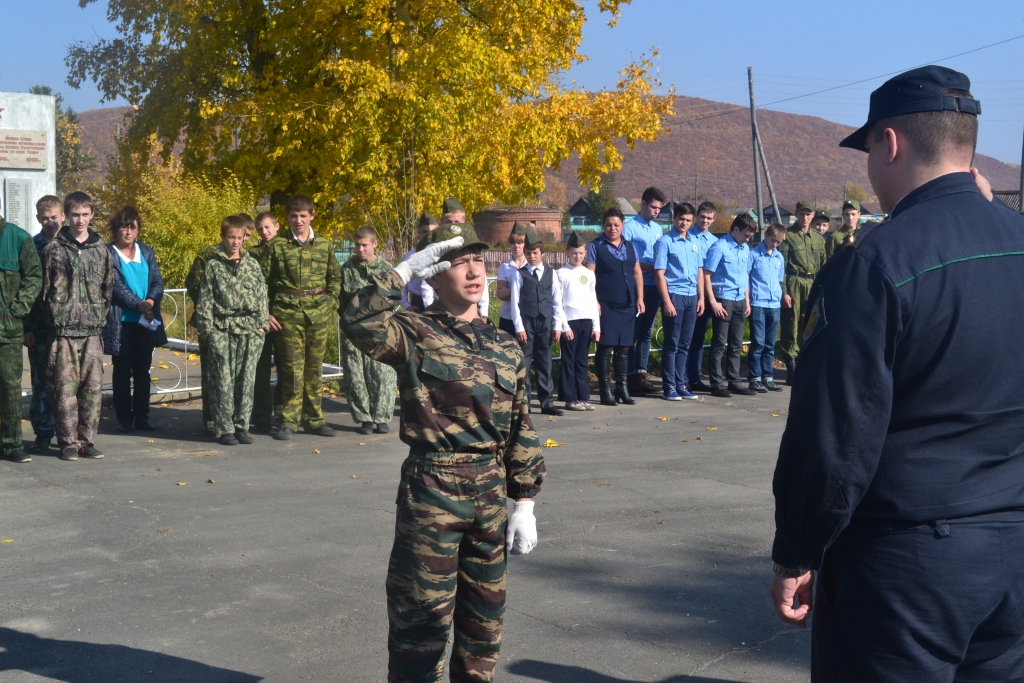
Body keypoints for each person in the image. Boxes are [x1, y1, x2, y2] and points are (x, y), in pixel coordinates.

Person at [768, 65, 1024, 682]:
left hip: (907, 564)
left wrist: (797, 549)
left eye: (867, 153)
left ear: (889, 143)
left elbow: (834, 432)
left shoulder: (876, 262)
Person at [339, 224, 545, 683]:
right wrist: (401, 272)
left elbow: (520, 426)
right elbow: (356, 320)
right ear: (433, 274)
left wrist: (524, 502)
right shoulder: (414, 331)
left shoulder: (504, 344)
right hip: (433, 489)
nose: (474, 272)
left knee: (484, 625)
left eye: (478, 261)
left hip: (489, 494)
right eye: (458, 263)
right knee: (421, 622)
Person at [260, 194, 342, 441]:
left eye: (303, 216)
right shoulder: (277, 245)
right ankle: (288, 420)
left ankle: (314, 419)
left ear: (312, 216)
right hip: (286, 314)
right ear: (287, 217)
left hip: (317, 314)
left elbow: (335, 278)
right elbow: (261, 282)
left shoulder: (324, 245)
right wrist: (265, 313)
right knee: (292, 370)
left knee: (314, 369)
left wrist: (331, 303)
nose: (299, 221)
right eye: (294, 216)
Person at [41, 192, 113, 461]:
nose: (80, 220)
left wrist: (97, 317)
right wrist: (54, 320)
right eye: (75, 215)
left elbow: (107, 290)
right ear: (66, 216)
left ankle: (87, 441)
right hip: (63, 333)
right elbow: (43, 292)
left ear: (92, 215)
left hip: (92, 332)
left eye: (85, 214)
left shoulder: (101, 251)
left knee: (92, 391)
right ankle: (68, 443)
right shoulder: (53, 250)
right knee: (64, 390)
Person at [195, 215, 268, 446]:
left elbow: (262, 296)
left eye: (239, 238)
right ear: (223, 237)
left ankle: (241, 426)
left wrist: (262, 326)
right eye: (230, 237)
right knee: (222, 381)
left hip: (249, 329)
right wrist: (209, 332)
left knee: (246, 381)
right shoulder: (214, 266)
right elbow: (204, 300)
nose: (235, 242)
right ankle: (225, 428)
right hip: (223, 328)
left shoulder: (252, 264)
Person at [102, 206, 167, 433]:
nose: (128, 232)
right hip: (121, 322)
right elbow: (116, 287)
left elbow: (157, 282)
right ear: (116, 229)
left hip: (144, 322)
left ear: (138, 230)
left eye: (133, 227)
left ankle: (142, 417)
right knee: (122, 372)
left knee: (142, 371)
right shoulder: (108, 253)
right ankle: (124, 419)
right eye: (124, 227)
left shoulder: (146, 252)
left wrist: (150, 301)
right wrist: (140, 304)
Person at [339, 226, 398, 435]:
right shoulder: (347, 269)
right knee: (355, 375)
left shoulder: (386, 269)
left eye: (364, 245)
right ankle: (364, 418)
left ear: (374, 244)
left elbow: (395, 299)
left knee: (383, 374)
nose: (360, 249)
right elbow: (341, 300)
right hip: (354, 329)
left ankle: (381, 418)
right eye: (357, 245)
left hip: (379, 328)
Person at [585, 207, 644, 406]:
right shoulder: (595, 246)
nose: (613, 228)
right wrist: (594, 301)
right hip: (606, 304)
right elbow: (589, 276)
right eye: (608, 225)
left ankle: (622, 388)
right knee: (606, 346)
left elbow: (637, 272)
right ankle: (605, 391)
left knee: (625, 347)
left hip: (628, 303)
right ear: (603, 226)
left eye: (616, 225)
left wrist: (640, 298)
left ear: (622, 225)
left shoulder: (630, 246)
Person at [510, 232, 567, 416]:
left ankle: (547, 402)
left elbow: (557, 301)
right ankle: (524, 403)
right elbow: (514, 303)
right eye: (528, 253)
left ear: (542, 253)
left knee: (545, 362)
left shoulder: (551, 273)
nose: (531, 256)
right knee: (525, 363)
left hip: (545, 323)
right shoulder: (519, 274)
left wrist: (557, 326)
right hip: (527, 323)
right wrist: (519, 327)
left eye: (535, 253)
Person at [0, 212, 41, 463]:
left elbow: (34, 278)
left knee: (9, 388)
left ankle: (11, 444)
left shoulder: (18, 238)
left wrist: (16, 310)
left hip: (7, 330)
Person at [653, 202, 704, 401]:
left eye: (688, 220)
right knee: (672, 343)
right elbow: (659, 273)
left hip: (692, 295)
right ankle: (669, 386)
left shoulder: (694, 242)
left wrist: (701, 297)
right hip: (674, 294)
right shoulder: (665, 242)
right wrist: (666, 301)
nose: (684, 223)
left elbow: (699, 271)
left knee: (685, 343)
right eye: (681, 219)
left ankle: (681, 384)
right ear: (674, 218)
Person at [24, 195, 62, 455]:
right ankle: (43, 434)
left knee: (66, 383)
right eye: (45, 218)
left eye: (54, 217)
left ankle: (68, 433)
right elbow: (25, 287)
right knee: (41, 384)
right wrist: (27, 327)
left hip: (66, 329)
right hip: (39, 329)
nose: (50, 222)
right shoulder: (31, 246)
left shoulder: (71, 244)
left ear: (63, 216)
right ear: (38, 219)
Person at [703, 214, 757, 398]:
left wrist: (747, 300)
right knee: (719, 343)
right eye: (746, 235)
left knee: (736, 344)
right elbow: (706, 275)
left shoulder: (745, 248)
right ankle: (717, 384)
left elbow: (745, 275)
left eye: (750, 236)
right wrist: (713, 302)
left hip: (740, 299)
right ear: (735, 229)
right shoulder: (719, 247)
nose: (747, 239)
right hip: (723, 299)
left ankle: (734, 381)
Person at [776, 200, 825, 385]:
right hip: (794, 282)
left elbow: (823, 266)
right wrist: (784, 292)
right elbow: (781, 267)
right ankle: (791, 367)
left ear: (813, 215)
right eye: (802, 214)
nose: (805, 218)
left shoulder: (818, 239)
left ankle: (806, 362)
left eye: (808, 214)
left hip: (813, 283)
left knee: (810, 323)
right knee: (792, 323)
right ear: (796, 214)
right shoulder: (788, 236)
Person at [622, 187, 666, 394]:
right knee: (633, 331)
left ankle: (642, 374)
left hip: (654, 284)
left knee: (647, 332)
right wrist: (646, 266)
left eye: (659, 208)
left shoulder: (658, 229)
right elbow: (625, 258)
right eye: (653, 207)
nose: (656, 211)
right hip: (635, 285)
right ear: (643, 204)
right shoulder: (629, 228)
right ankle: (629, 376)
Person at [556, 232, 600, 411]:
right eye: (574, 253)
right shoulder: (561, 273)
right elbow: (557, 303)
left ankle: (583, 396)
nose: (577, 256)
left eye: (581, 253)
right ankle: (570, 398)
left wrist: (596, 327)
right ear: (567, 252)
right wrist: (564, 327)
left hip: (586, 321)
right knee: (569, 361)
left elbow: (593, 300)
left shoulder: (589, 274)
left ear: (585, 253)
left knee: (582, 361)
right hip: (570, 322)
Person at [248, 211, 280, 433]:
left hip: (285, 316)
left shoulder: (288, 250)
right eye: (260, 229)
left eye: (267, 227)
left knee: (287, 369)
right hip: (261, 317)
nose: (264, 232)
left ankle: (285, 416)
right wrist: (264, 313)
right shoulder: (252, 255)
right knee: (260, 370)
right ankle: (261, 417)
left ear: (277, 226)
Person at [684, 201, 720, 393]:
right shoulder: (688, 236)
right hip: (689, 291)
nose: (705, 220)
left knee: (699, 338)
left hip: (708, 293)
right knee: (686, 338)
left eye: (709, 218)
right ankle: (681, 377)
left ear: (714, 219)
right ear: (697, 216)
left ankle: (694, 377)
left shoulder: (715, 241)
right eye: (703, 217)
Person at [746, 223, 785, 393]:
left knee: (770, 343)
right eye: (773, 240)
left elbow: (779, 279)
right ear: (766, 236)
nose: (775, 244)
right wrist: (747, 300)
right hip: (758, 303)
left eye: (778, 242)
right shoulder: (753, 255)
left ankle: (767, 377)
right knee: (758, 343)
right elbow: (746, 278)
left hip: (774, 303)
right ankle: (755, 377)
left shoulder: (779, 257)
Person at [495, 221, 529, 337]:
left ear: (525, 244)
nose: (516, 246)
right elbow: (501, 294)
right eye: (513, 243)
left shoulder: (531, 266)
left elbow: (537, 294)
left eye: (520, 242)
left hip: (527, 317)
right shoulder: (504, 267)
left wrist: (510, 291)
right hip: (508, 316)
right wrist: (527, 292)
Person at [400, 212, 438, 311]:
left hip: (440, 302)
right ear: (418, 233)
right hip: (417, 305)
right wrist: (407, 306)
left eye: (432, 232)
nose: (428, 235)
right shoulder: (409, 257)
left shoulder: (443, 255)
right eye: (425, 232)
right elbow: (401, 286)